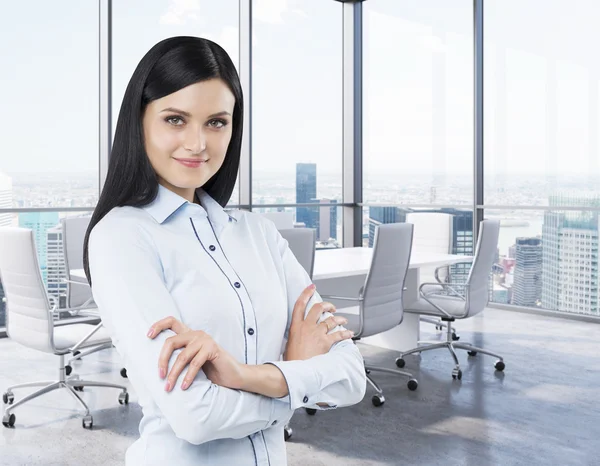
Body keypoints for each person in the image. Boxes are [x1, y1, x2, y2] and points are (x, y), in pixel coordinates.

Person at [83, 36, 366, 465]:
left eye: (216, 122)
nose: (198, 143)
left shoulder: (260, 234)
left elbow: (352, 377)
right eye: (176, 119)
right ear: (139, 122)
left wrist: (246, 376)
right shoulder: (121, 238)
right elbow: (196, 417)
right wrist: (296, 379)